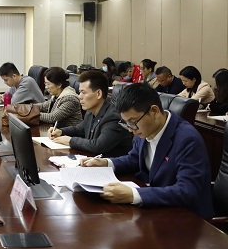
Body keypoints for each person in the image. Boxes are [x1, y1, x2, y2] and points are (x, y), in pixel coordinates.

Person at [81, 83, 213, 219]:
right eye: (126, 123)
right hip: (157, 209)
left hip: (187, 217)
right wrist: (106, 163)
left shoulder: (187, 139)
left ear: (154, 111)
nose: (130, 129)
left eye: (132, 122)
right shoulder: (145, 128)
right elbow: (134, 158)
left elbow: (187, 190)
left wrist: (133, 195)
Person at [49, 70, 132, 157]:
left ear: (98, 94)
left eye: (83, 92)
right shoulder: (90, 112)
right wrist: (61, 131)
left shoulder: (113, 117)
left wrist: (70, 141)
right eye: (79, 92)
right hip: (92, 160)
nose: (79, 96)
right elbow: (79, 129)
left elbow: (98, 146)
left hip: (110, 164)